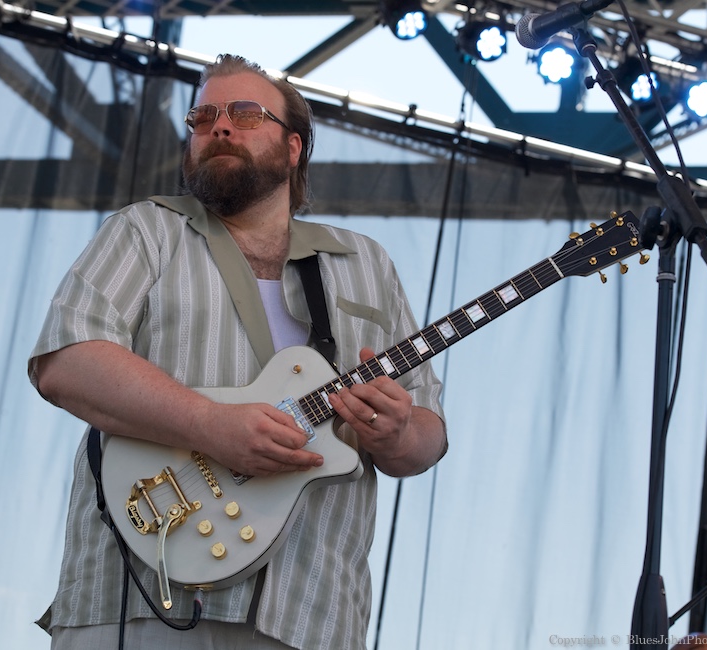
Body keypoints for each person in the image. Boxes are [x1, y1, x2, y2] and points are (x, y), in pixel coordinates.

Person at [28, 53, 448, 650]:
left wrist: (398, 433)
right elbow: (66, 361)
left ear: (294, 146)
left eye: (245, 114)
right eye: (202, 117)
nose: (219, 127)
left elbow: (426, 435)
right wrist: (213, 426)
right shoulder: (146, 230)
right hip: (143, 595)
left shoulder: (366, 264)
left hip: (310, 616)